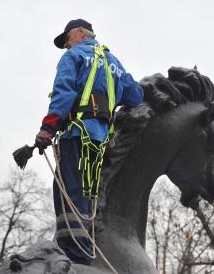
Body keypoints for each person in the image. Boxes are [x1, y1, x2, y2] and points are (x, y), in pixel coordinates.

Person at [34, 19, 143, 264]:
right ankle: (88, 247)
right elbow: (136, 95)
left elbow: (63, 93)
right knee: (89, 194)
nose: (66, 46)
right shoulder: (112, 61)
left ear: (81, 33)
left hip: (77, 136)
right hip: (103, 143)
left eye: (67, 39)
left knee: (69, 193)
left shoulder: (74, 57)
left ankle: (75, 256)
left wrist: (47, 129)